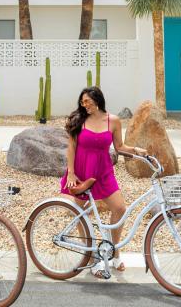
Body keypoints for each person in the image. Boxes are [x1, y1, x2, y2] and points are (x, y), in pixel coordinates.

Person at [60, 86, 146, 278]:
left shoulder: (113, 120)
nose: (85, 105)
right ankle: (92, 258)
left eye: (87, 101)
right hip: (81, 171)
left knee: (120, 209)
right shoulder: (79, 120)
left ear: (97, 100)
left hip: (103, 171)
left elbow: (120, 146)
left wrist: (137, 150)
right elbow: (71, 147)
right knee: (81, 213)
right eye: (82, 102)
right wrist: (71, 173)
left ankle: (115, 253)